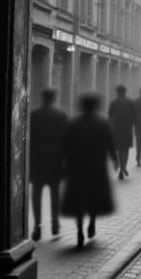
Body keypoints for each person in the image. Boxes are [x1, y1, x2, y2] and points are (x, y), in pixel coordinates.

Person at [60, 93, 118, 250]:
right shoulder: (103, 122)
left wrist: (61, 162)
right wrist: (115, 160)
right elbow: (110, 143)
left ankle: (79, 231)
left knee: (78, 200)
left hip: (77, 168)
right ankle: (92, 223)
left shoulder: (73, 123)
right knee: (93, 198)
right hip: (96, 168)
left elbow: (65, 145)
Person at [29, 87, 68, 240]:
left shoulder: (34, 115)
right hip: (55, 162)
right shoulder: (61, 116)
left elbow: (29, 139)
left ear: (43, 98)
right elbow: (66, 141)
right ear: (54, 99)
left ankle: (37, 225)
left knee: (36, 194)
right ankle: (55, 223)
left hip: (38, 162)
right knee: (55, 194)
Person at [108, 84, 136, 178]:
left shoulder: (113, 102)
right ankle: (123, 167)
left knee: (119, 149)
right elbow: (134, 115)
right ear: (125, 92)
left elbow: (110, 116)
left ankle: (121, 168)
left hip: (117, 128)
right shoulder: (130, 102)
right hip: (127, 128)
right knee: (126, 148)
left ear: (117, 92)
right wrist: (132, 123)